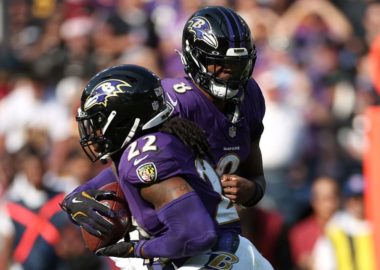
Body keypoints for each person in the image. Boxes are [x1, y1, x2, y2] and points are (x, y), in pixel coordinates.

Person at [61, 64, 270, 269]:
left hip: (207, 259)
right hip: (232, 253)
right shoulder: (166, 138)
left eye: (98, 122)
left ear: (121, 118)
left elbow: (196, 234)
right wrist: (77, 195)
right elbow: (124, 174)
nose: (94, 132)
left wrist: (137, 249)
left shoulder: (145, 156)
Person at [313, 174, 376, 270]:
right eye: (353, 198)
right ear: (346, 200)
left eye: (361, 197)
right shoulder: (335, 229)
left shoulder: (375, 225)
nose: (358, 203)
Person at [288, 176, 341, 270]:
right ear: (314, 201)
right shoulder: (300, 233)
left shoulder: (349, 228)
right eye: (325, 199)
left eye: (333, 198)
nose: (329, 205)